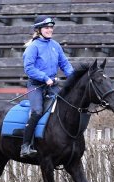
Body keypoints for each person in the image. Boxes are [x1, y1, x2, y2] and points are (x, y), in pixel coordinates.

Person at [21, 15, 74, 158]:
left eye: (51, 27)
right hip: (36, 85)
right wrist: (45, 78)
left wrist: (74, 77)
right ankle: (25, 146)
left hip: (52, 85)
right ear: (39, 30)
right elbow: (29, 68)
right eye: (46, 27)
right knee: (37, 111)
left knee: (66, 106)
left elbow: (65, 64)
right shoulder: (33, 47)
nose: (49, 30)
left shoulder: (55, 45)